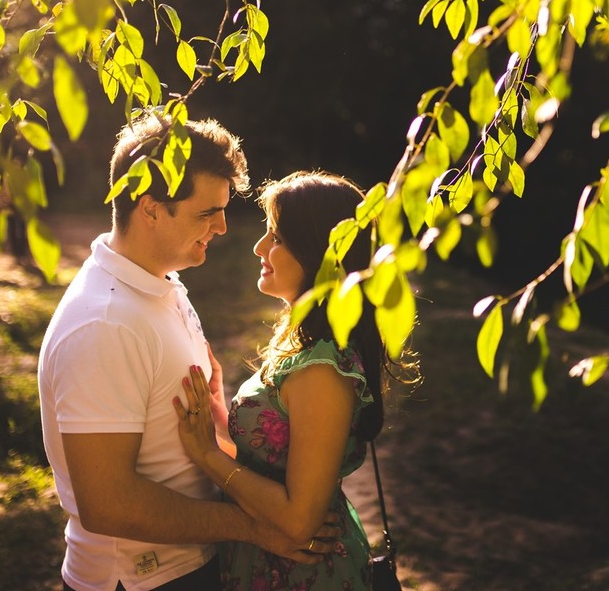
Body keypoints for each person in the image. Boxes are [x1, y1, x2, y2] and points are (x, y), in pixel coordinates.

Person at [38, 116, 336, 591]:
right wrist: (256, 529)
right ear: (150, 208)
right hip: (140, 580)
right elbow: (107, 505)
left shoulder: (163, 284)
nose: (221, 227)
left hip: (188, 566)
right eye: (206, 213)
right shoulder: (104, 325)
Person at [173, 171, 417, 591]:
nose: (259, 247)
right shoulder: (300, 343)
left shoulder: (321, 367)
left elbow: (300, 521)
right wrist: (219, 412)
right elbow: (277, 461)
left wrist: (208, 456)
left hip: (304, 572)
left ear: (320, 254)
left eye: (278, 238)